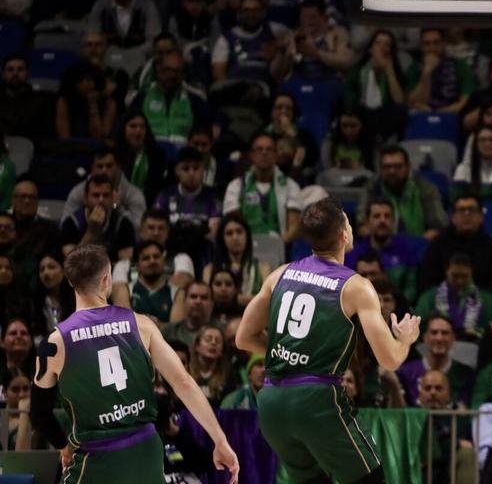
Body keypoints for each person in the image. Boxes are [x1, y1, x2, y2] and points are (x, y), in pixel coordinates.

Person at [235, 197, 422, 484]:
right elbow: (390, 359)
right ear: (343, 235)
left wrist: (291, 358)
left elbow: (243, 337)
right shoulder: (356, 286)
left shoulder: (279, 274)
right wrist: (405, 339)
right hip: (316, 400)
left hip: (271, 402)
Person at [31, 245, 238, 484]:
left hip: (97, 457)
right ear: (107, 279)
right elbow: (183, 383)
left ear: (69, 282)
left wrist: (62, 445)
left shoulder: (55, 343)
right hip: (145, 451)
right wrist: (220, 440)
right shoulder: (142, 325)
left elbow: (40, 414)